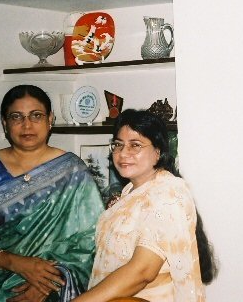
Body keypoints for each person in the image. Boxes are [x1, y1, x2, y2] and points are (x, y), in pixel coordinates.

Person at [0, 84, 105, 302]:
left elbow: (91, 240)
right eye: (16, 117)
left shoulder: (73, 170)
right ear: (5, 123)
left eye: (36, 115)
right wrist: (16, 263)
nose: (27, 125)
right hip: (3, 285)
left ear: (50, 119)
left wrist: (48, 284)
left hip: (57, 286)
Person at [74, 109, 217, 302]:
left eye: (135, 145)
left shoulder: (167, 193)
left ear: (158, 152)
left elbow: (142, 272)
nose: (123, 153)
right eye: (118, 144)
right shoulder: (130, 191)